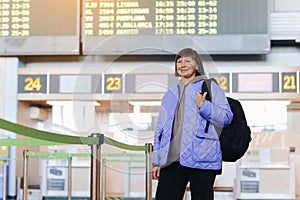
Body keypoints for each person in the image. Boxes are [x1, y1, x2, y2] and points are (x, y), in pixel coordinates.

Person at [152, 48, 233, 200]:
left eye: (188, 60)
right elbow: (160, 128)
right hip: (172, 161)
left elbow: (226, 117)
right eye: (179, 61)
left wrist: (204, 107)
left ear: (197, 65)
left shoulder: (210, 87)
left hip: (202, 158)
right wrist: (157, 161)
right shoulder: (170, 93)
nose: (183, 64)